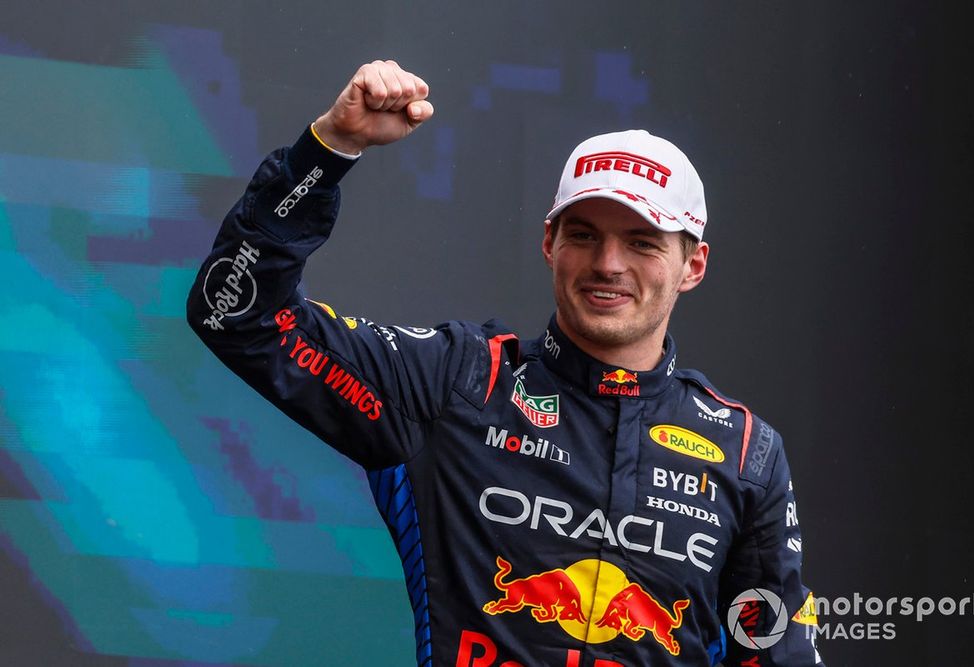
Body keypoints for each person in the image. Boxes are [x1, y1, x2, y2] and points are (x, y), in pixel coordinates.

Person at [188, 60, 823, 666]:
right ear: (549, 243)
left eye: (641, 242)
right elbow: (237, 314)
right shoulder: (457, 383)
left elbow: (776, 651)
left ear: (694, 266)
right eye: (583, 234)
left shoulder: (746, 453)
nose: (608, 264)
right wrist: (327, 152)